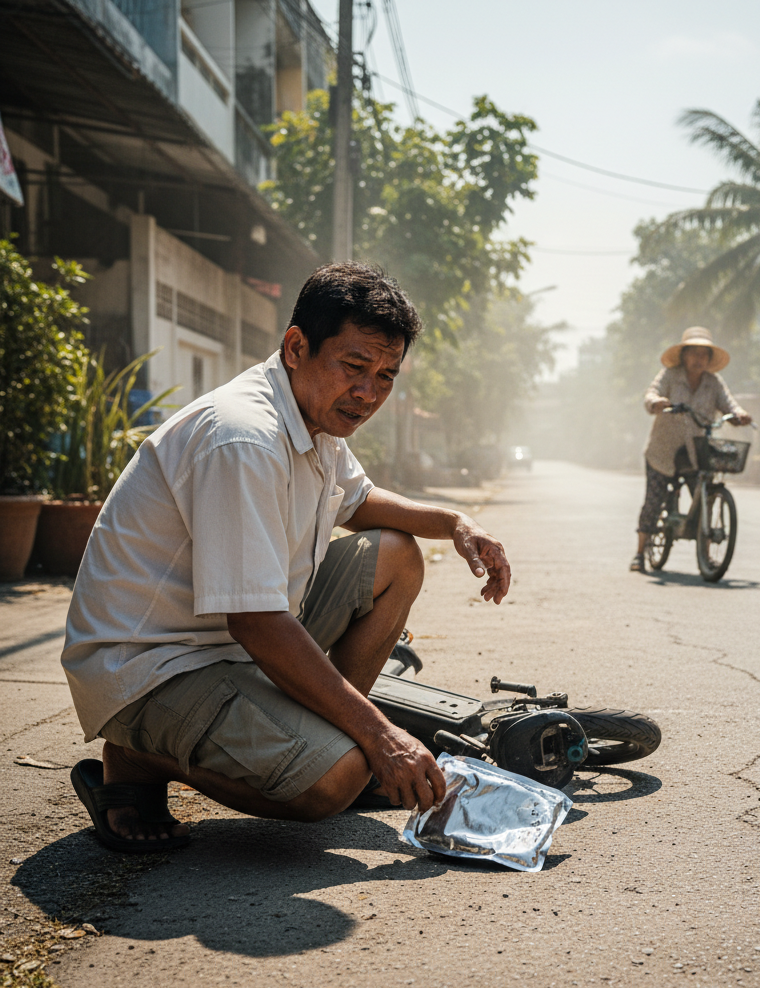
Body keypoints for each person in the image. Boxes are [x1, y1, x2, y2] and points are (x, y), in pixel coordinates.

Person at [62, 262, 511, 852]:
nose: (368, 392)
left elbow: (362, 501)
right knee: (337, 781)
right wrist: (381, 739)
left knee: (398, 555)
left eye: (385, 374)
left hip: (228, 642)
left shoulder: (316, 419)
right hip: (151, 668)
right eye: (354, 367)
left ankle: (328, 738)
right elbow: (255, 621)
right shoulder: (244, 436)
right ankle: (137, 758)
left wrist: (456, 522)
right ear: (296, 347)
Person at [631, 326, 751, 572]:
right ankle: (640, 553)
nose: (698, 359)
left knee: (703, 497)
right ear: (684, 355)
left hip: (695, 452)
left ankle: (706, 556)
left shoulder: (713, 382)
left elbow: (729, 403)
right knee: (653, 501)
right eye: (693, 353)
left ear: (708, 359)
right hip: (662, 451)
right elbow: (651, 393)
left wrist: (738, 413)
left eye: (703, 354)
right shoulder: (670, 375)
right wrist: (656, 402)